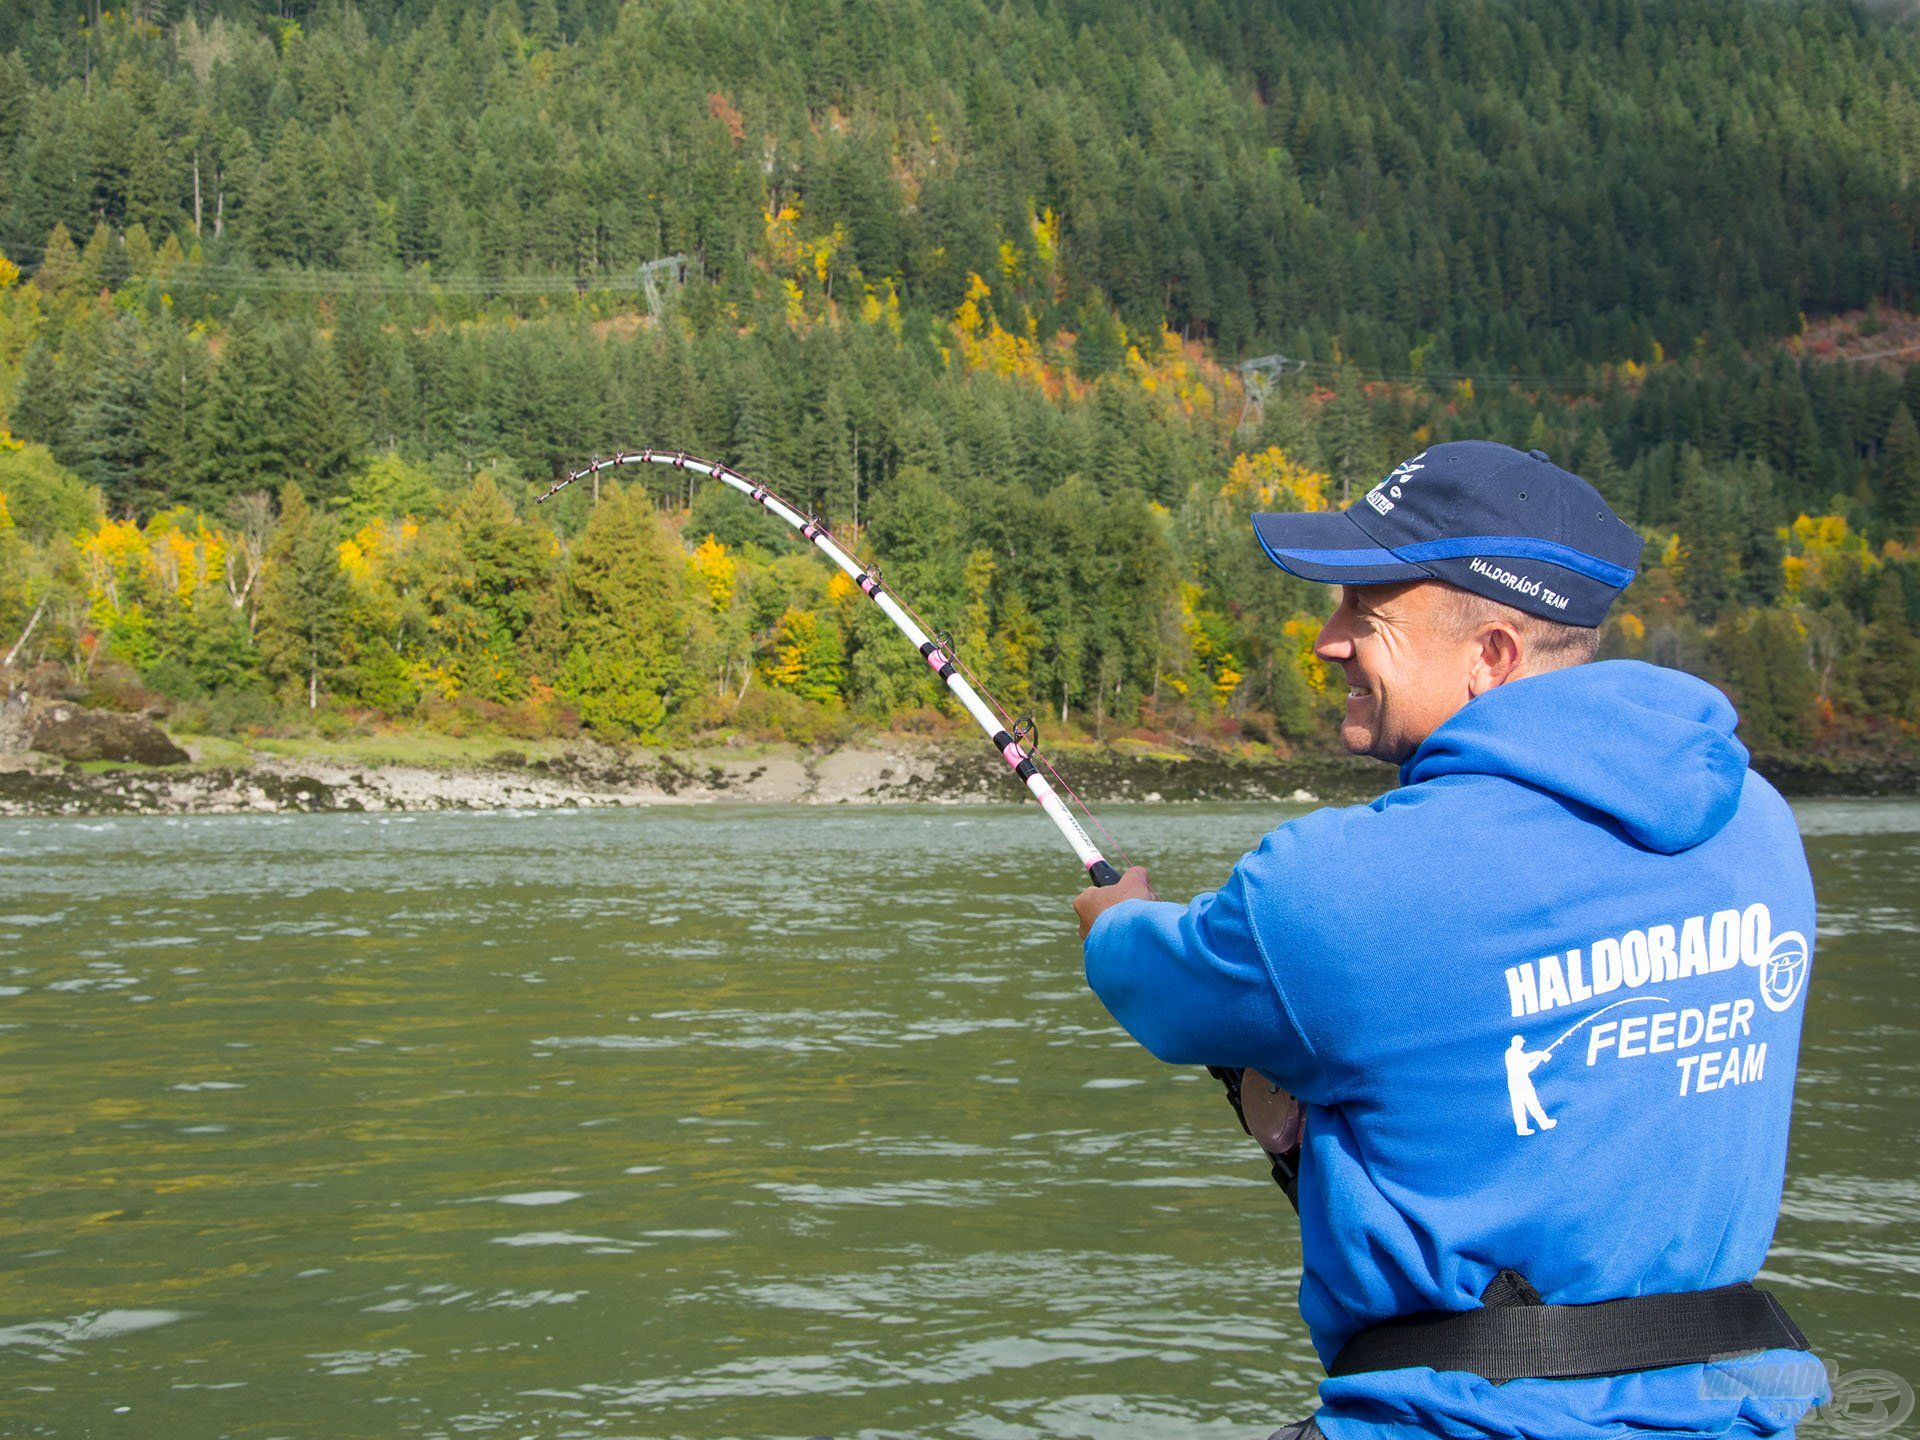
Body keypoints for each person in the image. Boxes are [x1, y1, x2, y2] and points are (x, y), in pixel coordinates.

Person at [1074, 442, 1826, 1440]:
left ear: (1495, 657)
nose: (1327, 640)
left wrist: (1113, 916)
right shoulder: (1759, 827)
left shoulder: (1339, 882)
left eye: (1364, 613)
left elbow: (1157, 983)